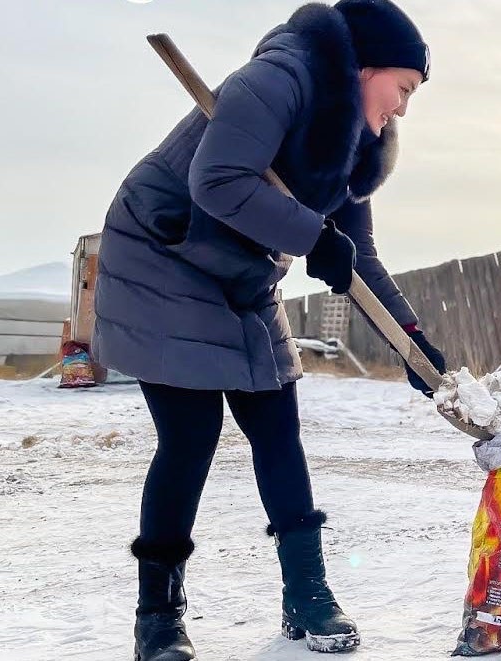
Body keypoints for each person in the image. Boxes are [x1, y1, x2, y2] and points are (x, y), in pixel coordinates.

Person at [92, 1, 444, 657]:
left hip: (243, 275)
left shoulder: (349, 146)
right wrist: (313, 236)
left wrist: (412, 336)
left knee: (278, 425)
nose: (402, 109)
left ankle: (306, 594)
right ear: (365, 67)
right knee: (191, 434)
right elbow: (218, 180)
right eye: (404, 89)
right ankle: (158, 617)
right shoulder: (277, 79)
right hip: (163, 252)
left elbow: (354, 255)